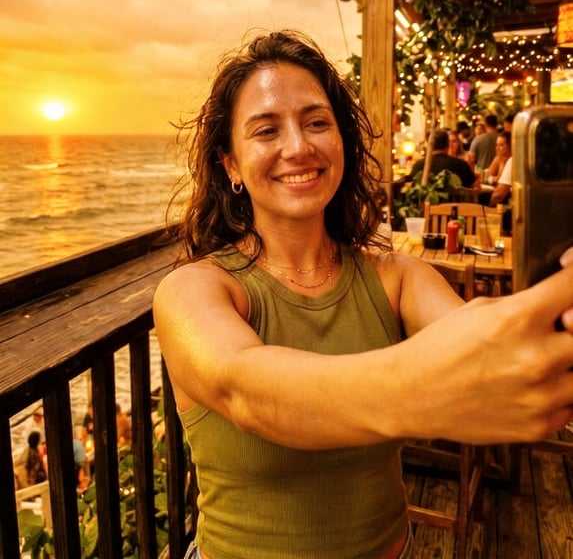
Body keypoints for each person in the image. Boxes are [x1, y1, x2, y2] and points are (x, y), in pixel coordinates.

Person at [153, 30, 573, 559]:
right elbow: (249, 393)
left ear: (343, 144)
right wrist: (430, 392)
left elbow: (482, 343)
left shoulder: (397, 278)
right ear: (230, 164)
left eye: (316, 122)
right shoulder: (193, 290)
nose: (298, 146)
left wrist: (551, 324)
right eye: (266, 130)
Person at [408, 129, 477, 188]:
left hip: (427, 203)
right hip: (455, 203)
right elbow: (474, 186)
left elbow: (410, 185)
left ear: (429, 146)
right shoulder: (461, 165)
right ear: (447, 146)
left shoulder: (418, 166)